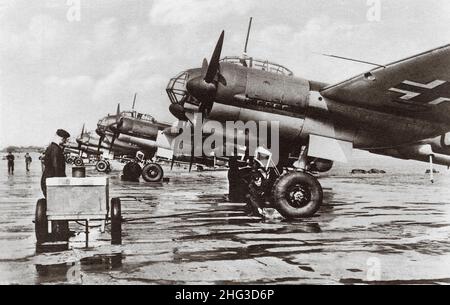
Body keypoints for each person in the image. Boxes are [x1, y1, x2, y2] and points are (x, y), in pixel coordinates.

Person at [41, 129, 70, 197]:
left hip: (49, 180)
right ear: (62, 139)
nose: (65, 141)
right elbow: (55, 166)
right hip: (53, 182)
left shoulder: (52, 147)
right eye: (65, 139)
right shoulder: (55, 149)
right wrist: (60, 182)